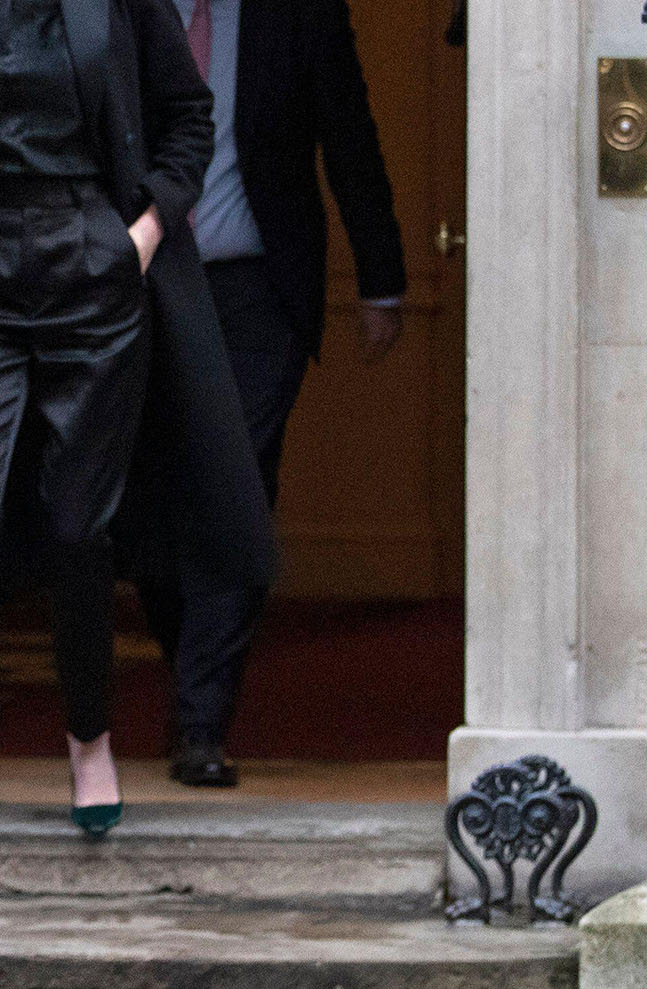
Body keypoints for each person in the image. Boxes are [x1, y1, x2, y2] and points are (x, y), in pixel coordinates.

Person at [0, 0, 275, 868]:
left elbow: (188, 117)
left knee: (77, 525)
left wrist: (140, 234)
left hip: (90, 271)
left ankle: (88, 737)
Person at [138, 0, 407, 787]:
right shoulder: (126, 12)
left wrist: (383, 280)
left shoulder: (302, 13)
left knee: (239, 487)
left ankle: (200, 721)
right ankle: (191, 668)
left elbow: (348, 135)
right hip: (146, 290)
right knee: (153, 500)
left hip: (261, 291)